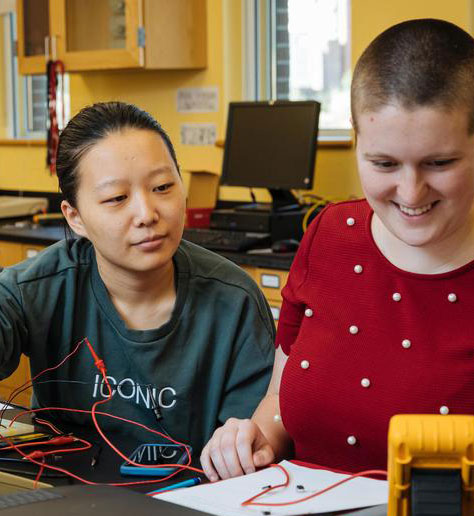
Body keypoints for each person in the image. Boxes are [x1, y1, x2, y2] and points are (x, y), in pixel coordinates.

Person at [200, 19, 474, 516]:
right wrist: (255, 439)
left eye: (440, 163)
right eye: (383, 164)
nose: (410, 194)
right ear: (357, 138)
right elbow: (281, 402)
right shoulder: (328, 237)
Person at [0, 101, 275, 451]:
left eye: (162, 187)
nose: (147, 214)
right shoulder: (39, 288)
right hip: (64, 496)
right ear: (75, 217)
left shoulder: (234, 301)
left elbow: (250, 447)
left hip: (186, 499)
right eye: (116, 198)